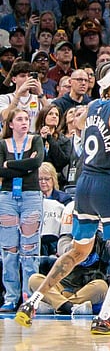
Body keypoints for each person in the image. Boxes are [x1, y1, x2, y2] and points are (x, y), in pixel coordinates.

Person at [16, 61, 110, 335]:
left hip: (84, 184)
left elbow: (79, 122)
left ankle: (32, 303)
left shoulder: (93, 107)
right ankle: (104, 317)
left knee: (78, 249)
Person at [28, 200, 109, 317]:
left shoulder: (103, 240)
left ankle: (56, 305)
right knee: (34, 279)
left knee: (101, 286)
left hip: (85, 288)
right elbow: (63, 250)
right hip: (60, 286)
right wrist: (77, 243)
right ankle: (70, 307)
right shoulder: (67, 237)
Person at [0, 107, 46, 310]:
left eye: (27, 119)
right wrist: (25, 166)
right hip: (8, 196)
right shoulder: (3, 144)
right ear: (10, 124)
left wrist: (10, 164)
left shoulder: (35, 140)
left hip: (31, 195)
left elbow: (37, 162)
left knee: (30, 249)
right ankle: (11, 296)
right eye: (19, 119)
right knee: (9, 249)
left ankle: (31, 297)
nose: (24, 122)